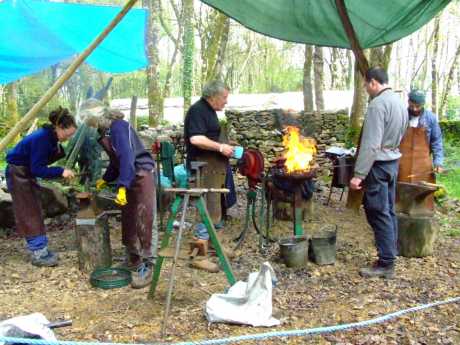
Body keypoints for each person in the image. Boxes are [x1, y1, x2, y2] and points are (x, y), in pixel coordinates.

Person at [86, 108, 156, 289]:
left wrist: (122, 186)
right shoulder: (106, 131)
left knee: (145, 220)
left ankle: (150, 267)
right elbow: (116, 161)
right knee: (129, 220)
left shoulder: (118, 127)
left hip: (141, 175)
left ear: (98, 117)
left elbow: (126, 157)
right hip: (129, 175)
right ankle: (133, 259)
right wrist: (106, 178)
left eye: (91, 122)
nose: (92, 127)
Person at [349, 67, 408, 279]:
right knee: (389, 210)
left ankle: (386, 263)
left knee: (377, 212)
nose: (365, 89)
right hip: (393, 163)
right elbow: (402, 133)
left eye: (366, 85)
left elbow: (371, 145)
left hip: (378, 165)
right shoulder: (400, 103)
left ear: (373, 82)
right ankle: (390, 253)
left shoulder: (377, 105)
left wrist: (359, 174)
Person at [6, 106, 77, 267]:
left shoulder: (50, 137)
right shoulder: (42, 139)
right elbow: (37, 169)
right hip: (18, 173)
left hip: (24, 172)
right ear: (59, 127)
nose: (69, 137)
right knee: (28, 210)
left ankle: (41, 248)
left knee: (35, 208)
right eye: (68, 134)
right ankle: (38, 253)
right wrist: (61, 171)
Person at [184, 80, 234, 272]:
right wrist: (220, 147)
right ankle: (198, 256)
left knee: (216, 206)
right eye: (224, 97)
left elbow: (209, 136)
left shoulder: (209, 111)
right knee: (205, 209)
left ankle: (214, 245)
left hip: (214, 167)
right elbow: (196, 138)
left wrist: (227, 145)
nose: (226, 101)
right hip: (203, 168)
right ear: (212, 96)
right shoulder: (198, 110)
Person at [398, 89, 444, 184]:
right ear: (408, 102)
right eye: (412, 106)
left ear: (423, 104)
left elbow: (437, 142)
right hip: (401, 166)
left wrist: (438, 162)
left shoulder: (430, 118)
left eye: (417, 106)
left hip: (423, 167)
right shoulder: (401, 116)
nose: (414, 109)